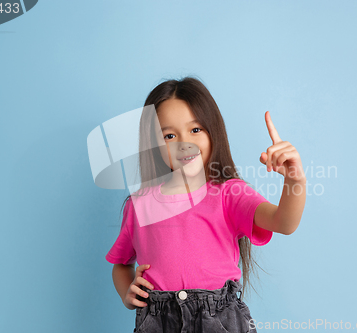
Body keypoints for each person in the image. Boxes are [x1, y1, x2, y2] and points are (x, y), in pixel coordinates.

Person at [105, 76, 307, 332]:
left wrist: (294, 178)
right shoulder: (139, 204)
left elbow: (284, 222)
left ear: (213, 132)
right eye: (169, 135)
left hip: (219, 320)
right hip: (157, 321)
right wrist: (127, 294)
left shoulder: (230, 193)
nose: (184, 143)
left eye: (195, 130)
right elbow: (121, 263)